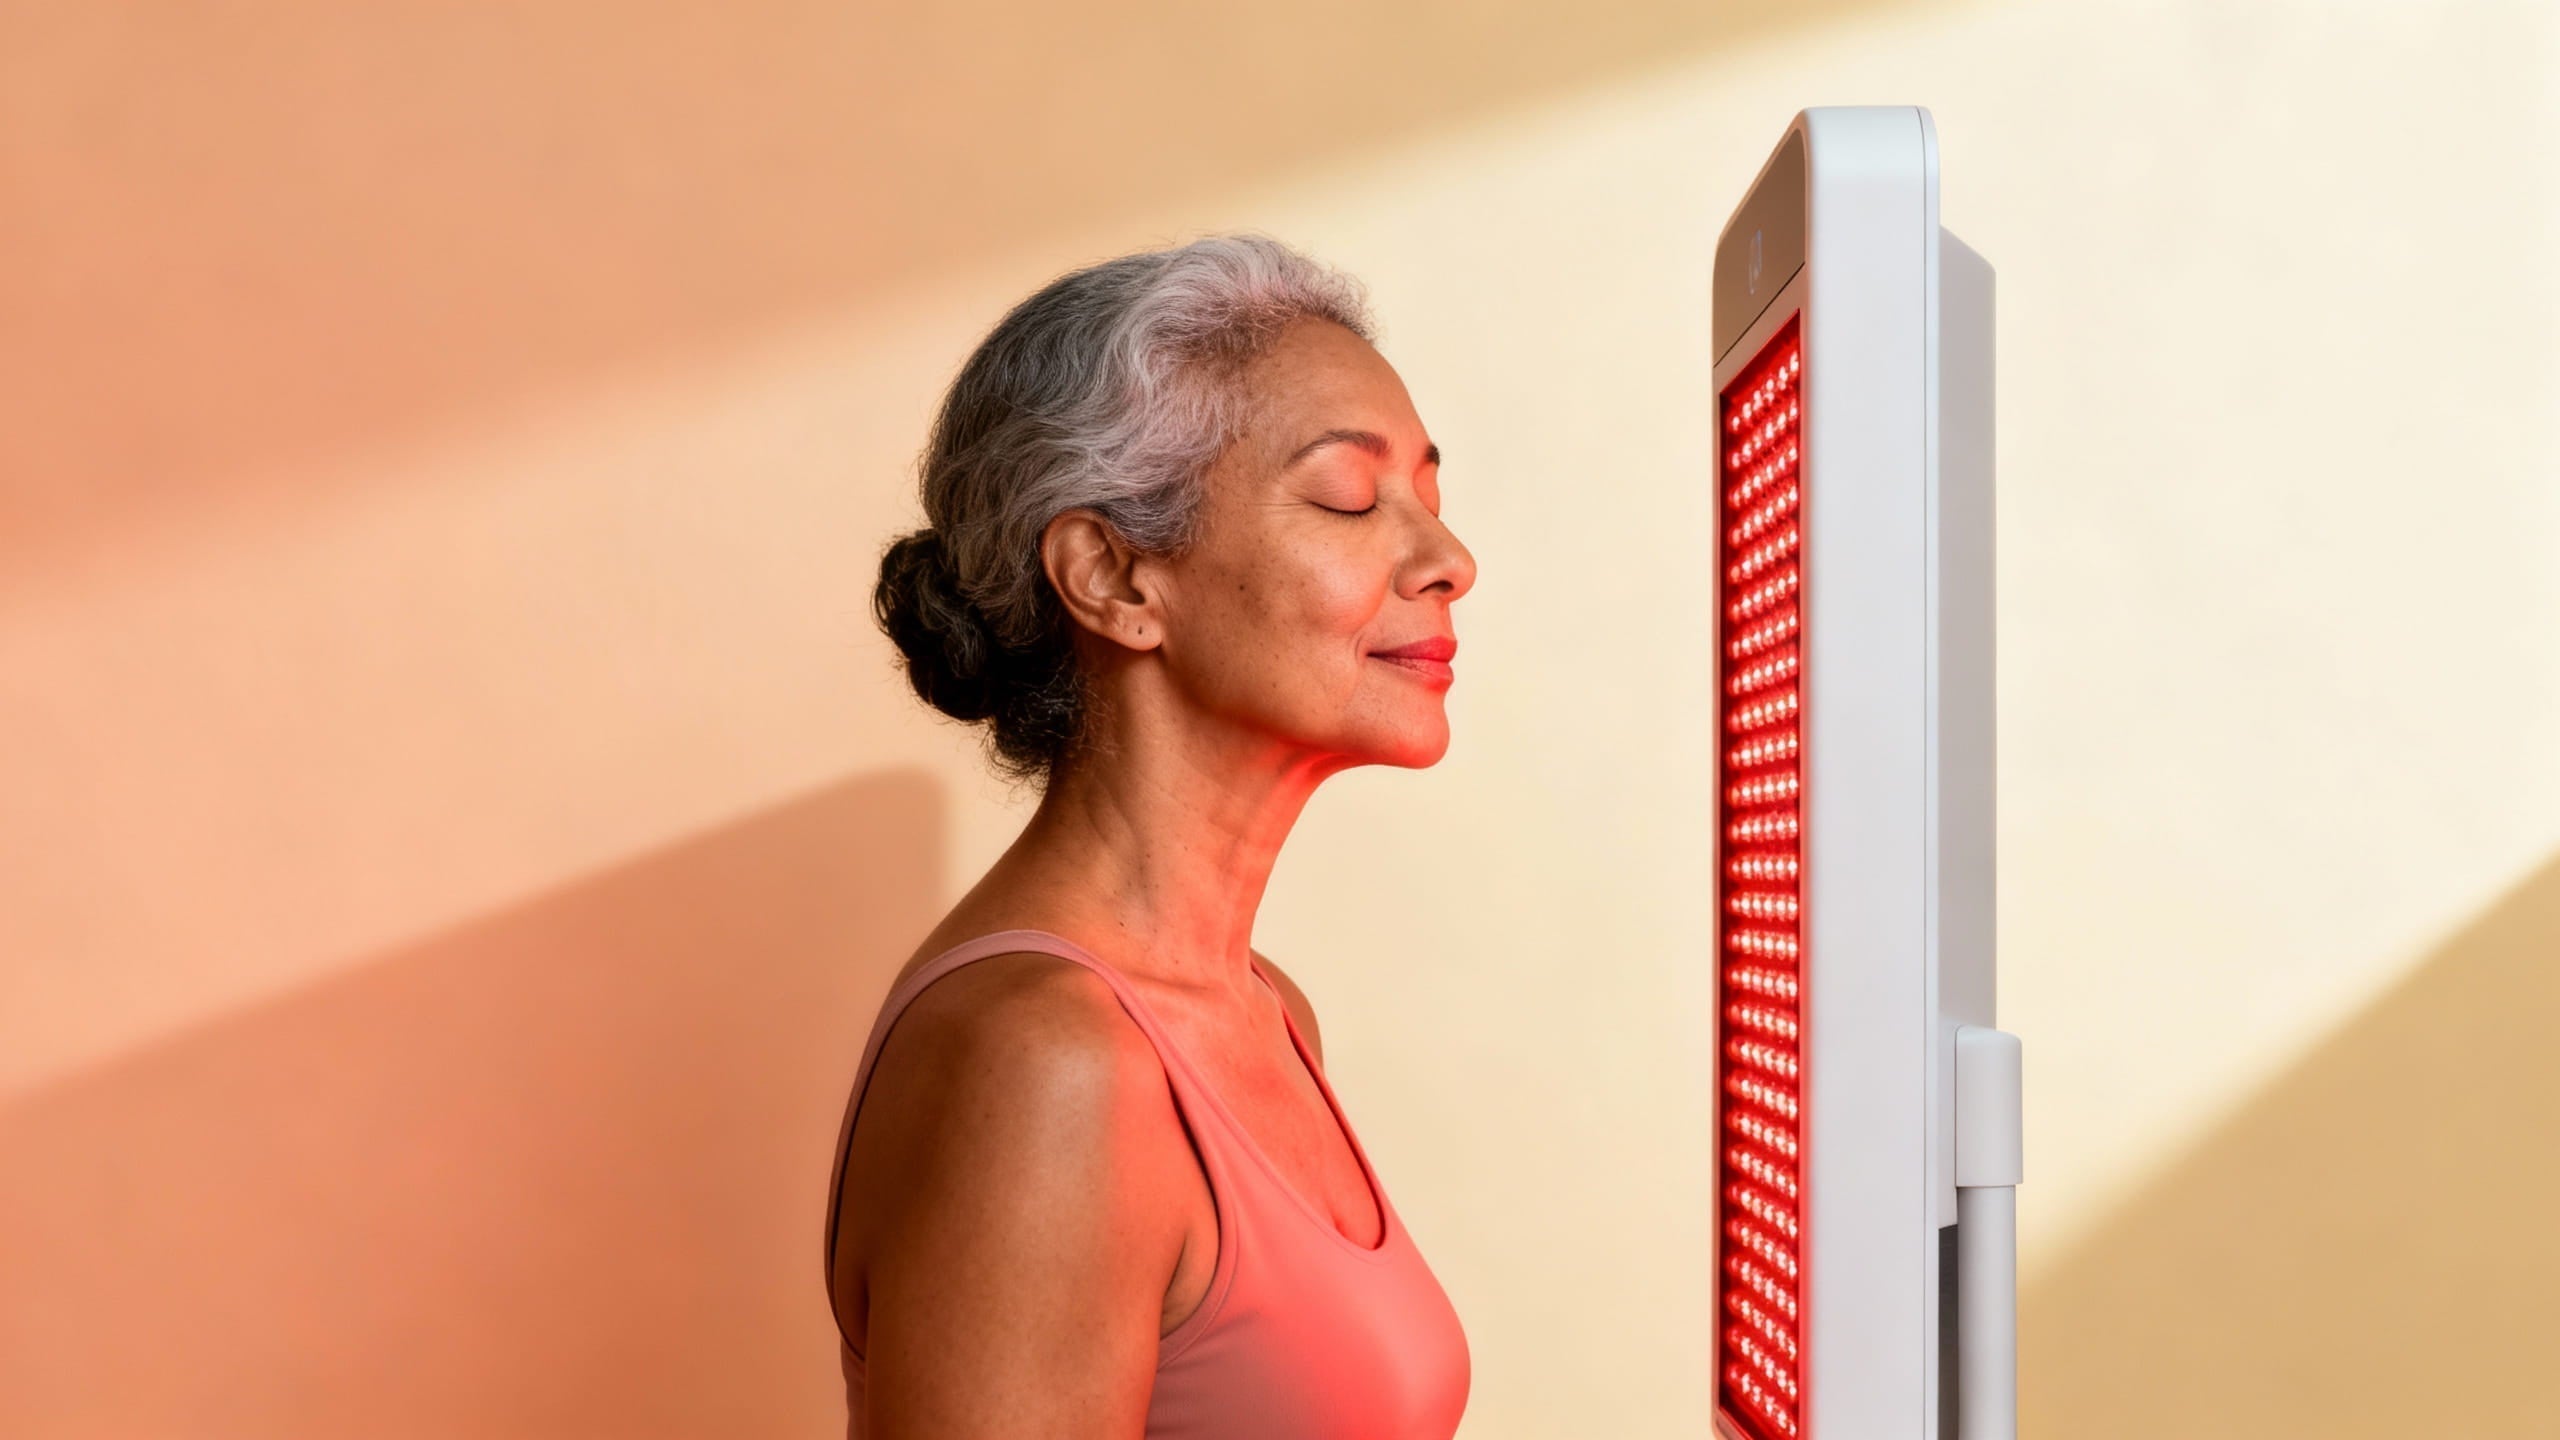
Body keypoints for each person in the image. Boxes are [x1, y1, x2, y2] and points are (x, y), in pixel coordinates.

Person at [824, 234, 1479, 1438]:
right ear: (1114, 578)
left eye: (1429, 503)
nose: (1449, 562)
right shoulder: (1049, 1065)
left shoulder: (1263, 1008)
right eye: (1347, 497)